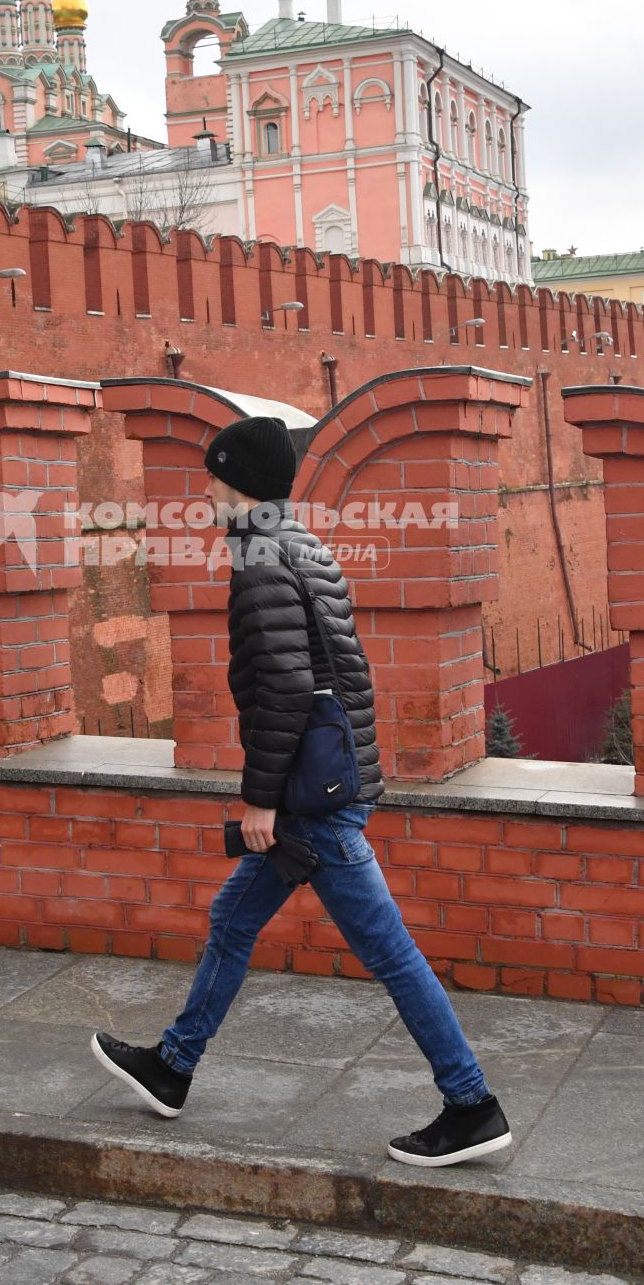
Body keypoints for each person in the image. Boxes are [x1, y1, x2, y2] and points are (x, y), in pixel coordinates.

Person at [91, 414, 512, 1168]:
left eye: (215, 475)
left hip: (311, 800)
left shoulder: (259, 559)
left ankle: (471, 1103)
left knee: (391, 954)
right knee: (232, 917)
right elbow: (341, 676)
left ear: (238, 481)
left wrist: (262, 800)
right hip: (327, 781)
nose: (207, 489)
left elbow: (285, 689)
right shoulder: (303, 544)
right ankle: (173, 1066)